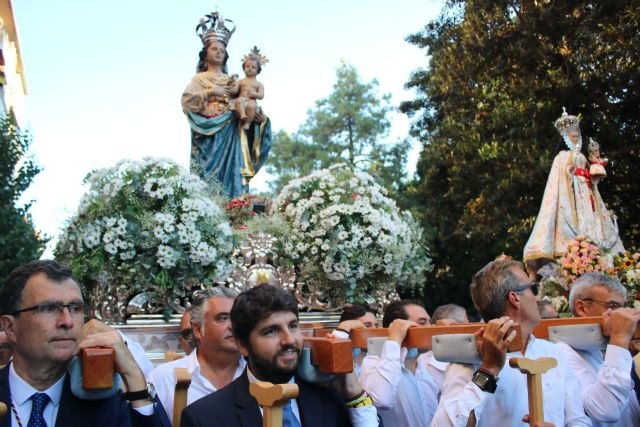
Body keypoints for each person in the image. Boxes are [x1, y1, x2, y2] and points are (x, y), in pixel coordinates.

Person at [0, 259, 170, 427]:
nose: (67, 321)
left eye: (75, 308)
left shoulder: (105, 400)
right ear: (10, 327)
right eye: (48, 308)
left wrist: (133, 375)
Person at [181, 284, 379, 426]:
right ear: (242, 345)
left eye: (293, 327)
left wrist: (355, 396)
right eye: (270, 331)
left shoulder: (331, 400)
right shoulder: (205, 418)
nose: (288, 340)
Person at [432, 258, 591, 426]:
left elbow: (579, 421)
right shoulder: (470, 359)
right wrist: (488, 369)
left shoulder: (555, 353)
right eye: (532, 288)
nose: (538, 298)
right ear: (515, 298)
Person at [181, 12, 272, 198]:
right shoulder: (200, 79)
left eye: (222, 50)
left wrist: (261, 121)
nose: (218, 52)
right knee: (206, 181)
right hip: (207, 135)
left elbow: (248, 104)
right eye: (214, 49)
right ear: (205, 54)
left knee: (235, 174)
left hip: (232, 133)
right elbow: (187, 101)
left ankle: (235, 207)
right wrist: (209, 92)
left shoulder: (234, 81)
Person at [523, 108, 623, 273]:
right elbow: (559, 179)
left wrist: (593, 170)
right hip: (569, 195)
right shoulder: (561, 156)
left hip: (586, 193)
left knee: (593, 222)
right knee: (572, 222)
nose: (576, 138)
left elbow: (591, 174)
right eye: (572, 136)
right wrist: (571, 172)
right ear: (565, 138)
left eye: (577, 135)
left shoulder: (583, 157)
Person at [149, 287, 245, 420]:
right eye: (222, 318)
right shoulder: (164, 378)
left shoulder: (258, 375)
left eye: (237, 318)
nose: (232, 325)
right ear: (198, 330)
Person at [559, 272, 640, 426]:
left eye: (623, 307)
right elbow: (606, 410)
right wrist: (619, 340)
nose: (621, 315)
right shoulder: (562, 352)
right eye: (613, 306)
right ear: (582, 308)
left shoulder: (610, 345)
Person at [359, 300, 440, 427]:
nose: (431, 328)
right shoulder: (374, 362)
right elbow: (382, 400)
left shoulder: (425, 366)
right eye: (423, 322)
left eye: (430, 321)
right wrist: (395, 340)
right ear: (400, 328)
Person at [232, 48, 266, 130]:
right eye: (247, 66)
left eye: (253, 67)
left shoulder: (259, 84)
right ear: (243, 68)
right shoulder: (240, 81)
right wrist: (231, 86)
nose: (250, 68)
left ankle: (248, 123)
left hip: (251, 101)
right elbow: (235, 91)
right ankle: (242, 114)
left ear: (258, 70)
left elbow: (261, 95)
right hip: (242, 99)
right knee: (239, 101)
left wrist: (255, 94)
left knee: (252, 106)